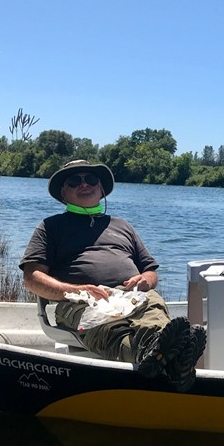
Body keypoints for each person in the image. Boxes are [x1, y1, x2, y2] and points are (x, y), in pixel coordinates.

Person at [20, 159, 206, 391]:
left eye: (91, 180)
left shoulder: (122, 225)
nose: (84, 184)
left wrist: (145, 281)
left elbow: (150, 270)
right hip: (80, 301)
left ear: (101, 189)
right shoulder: (49, 227)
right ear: (63, 192)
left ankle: (158, 352)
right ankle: (169, 363)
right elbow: (32, 277)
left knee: (153, 311)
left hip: (131, 294)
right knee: (108, 327)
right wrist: (76, 291)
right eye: (75, 181)